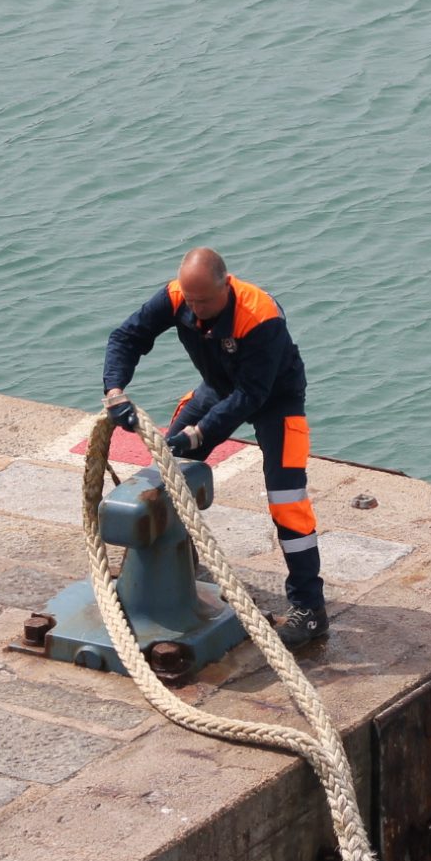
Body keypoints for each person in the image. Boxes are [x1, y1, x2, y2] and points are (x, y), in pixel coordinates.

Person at [102, 247, 327, 646]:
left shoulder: (260, 316)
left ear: (227, 284)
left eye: (204, 301)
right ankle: (175, 565)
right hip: (218, 388)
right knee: (170, 473)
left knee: (287, 499)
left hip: (276, 400)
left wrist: (200, 433)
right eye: (190, 301)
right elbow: (128, 336)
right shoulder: (177, 296)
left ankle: (309, 610)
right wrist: (116, 389)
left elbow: (252, 395)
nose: (196, 309)